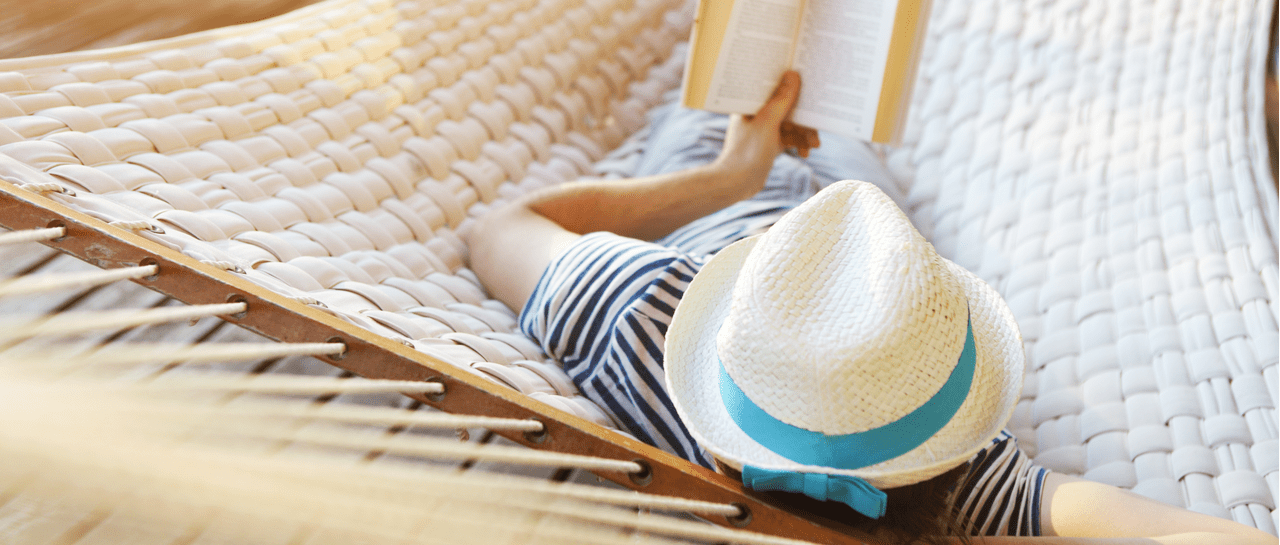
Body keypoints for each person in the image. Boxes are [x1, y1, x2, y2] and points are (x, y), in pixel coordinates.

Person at [467, 72, 1275, 544]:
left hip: (715, 188)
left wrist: (729, 177)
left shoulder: (643, 310)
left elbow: (500, 228)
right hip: (861, 210)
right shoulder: (958, 480)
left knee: (739, 76)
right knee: (838, 103)